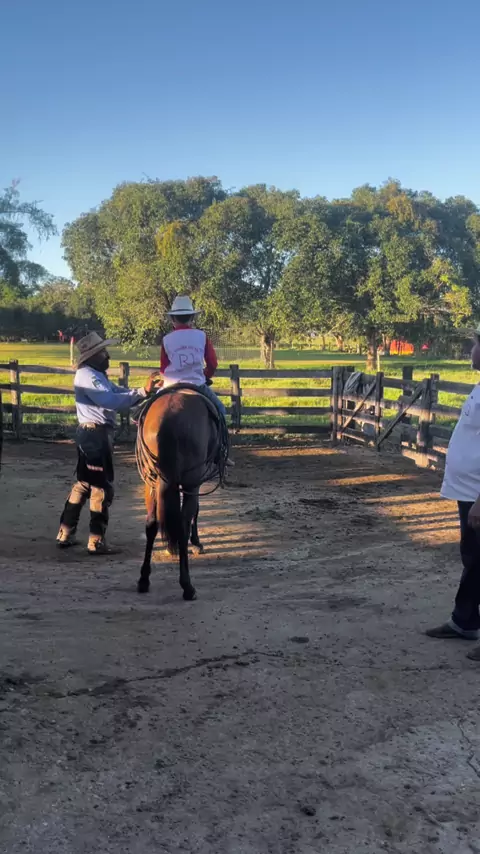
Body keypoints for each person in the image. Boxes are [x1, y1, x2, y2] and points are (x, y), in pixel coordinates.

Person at [56, 331, 158, 554]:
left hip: (91, 434)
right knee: (101, 487)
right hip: (96, 436)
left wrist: (142, 392)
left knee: (84, 483)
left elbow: (115, 392)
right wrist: (142, 392)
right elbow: (110, 400)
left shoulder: (93, 374)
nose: (107, 356)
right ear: (93, 355)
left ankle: (66, 531)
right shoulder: (89, 376)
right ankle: (96, 540)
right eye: (103, 352)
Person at [426, 327, 480, 661]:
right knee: (473, 558)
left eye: (476, 345)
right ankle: (465, 621)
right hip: (468, 490)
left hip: (478, 495)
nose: (471, 351)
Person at [160, 295, 233, 464]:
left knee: (144, 411)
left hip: (171, 385)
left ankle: (138, 426)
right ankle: (220, 452)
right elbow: (212, 363)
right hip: (197, 384)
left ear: (173, 319)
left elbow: (163, 368)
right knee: (220, 411)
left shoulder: (166, 339)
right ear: (192, 318)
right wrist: (205, 375)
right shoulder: (202, 336)